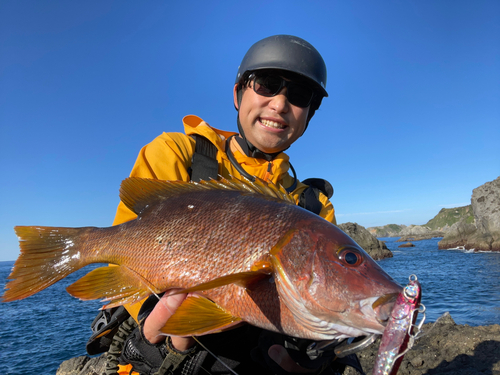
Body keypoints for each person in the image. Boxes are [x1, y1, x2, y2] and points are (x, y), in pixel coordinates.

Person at [87, 35, 363, 375]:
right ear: (237, 94)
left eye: (299, 95)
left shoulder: (314, 207)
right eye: (267, 84)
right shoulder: (178, 154)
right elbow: (131, 251)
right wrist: (149, 331)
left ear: (309, 114)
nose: (279, 104)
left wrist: (322, 355)